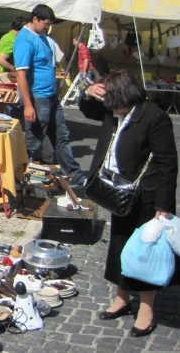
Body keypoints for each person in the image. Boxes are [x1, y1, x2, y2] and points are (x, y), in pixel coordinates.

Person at [81, 71, 177, 338]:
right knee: (120, 247)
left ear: (122, 96)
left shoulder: (154, 117)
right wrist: (87, 92)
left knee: (145, 253)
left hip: (146, 196)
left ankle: (146, 311)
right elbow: (88, 109)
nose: (107, 104)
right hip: (118, 192)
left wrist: (163, 205)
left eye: (110, 98)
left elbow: (168, 163)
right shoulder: (114, 112)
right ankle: (121, 298)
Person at [13, 4, 86, 184]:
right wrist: (28, 106)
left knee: (61, 136)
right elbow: (21, 74)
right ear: (35, 19)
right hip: (38, 98)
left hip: (51, 96)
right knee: (33, 140)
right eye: (46, 24)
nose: (48, 27)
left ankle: (74, 174)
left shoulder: (42, 36)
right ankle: (19, 177)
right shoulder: (25, 40)